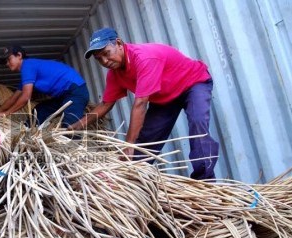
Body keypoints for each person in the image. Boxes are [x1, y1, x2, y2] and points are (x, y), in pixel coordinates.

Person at [69, 27, 219, 180]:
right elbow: (106, 104)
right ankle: (131, 179)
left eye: (106, 53)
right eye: (99, 59)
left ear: (119, 43)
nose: (105, 61)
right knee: (146, 141)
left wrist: (128, 144)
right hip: (165, 98)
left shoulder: (144, 58)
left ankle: (204, 179)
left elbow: (141, 103)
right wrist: (76, 127)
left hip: (193, 83)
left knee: (198, 124)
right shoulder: (115, 74)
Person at [0, 45, 89, 128]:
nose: (7, 63)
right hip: (64, 96)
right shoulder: (27, 77)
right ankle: (27, 133)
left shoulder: (27, 65)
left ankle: (72, 146)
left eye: (9, 59)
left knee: (70, 126)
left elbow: (26, 97)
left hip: (75, 91)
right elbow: (13, 98)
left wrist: (6, 113)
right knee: (40, 110)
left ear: (19, 55)